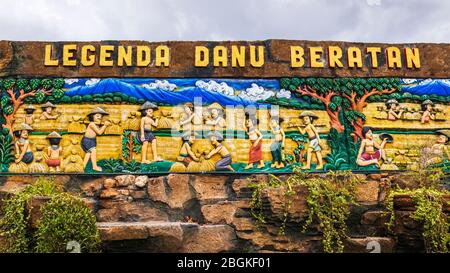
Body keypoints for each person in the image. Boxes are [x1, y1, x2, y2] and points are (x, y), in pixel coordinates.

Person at [81, 107, 111, 172]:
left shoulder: (96, 124)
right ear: (92, 117)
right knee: (93, 151)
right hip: (88, 141)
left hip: (92, 140)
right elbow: (99, 132)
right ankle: (94, 166)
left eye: (100, 116)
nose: (99, 117)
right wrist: (105, 126)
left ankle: (83, 166)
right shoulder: (92, 124)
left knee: (88, 153)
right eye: (97, 116)